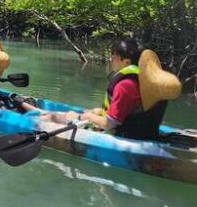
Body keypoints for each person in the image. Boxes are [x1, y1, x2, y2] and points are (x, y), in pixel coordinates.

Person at [22, 38, 165, 139]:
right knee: (74, 113)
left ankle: (29, 114)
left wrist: (89, 117)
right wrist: (98, 112)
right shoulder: (143, 79)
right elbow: (129, 110)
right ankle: (34, 109)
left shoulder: (125, 85)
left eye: (113, 55)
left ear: (125, 61)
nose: (110, 59)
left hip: (120, 133)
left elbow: (110, 124)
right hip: (141, 131)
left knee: (53, 117)